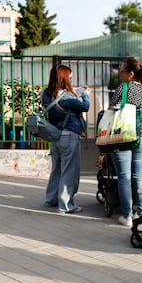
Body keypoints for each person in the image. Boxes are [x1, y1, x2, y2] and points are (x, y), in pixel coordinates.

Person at [110, 58, 142, 227]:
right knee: (138, 175)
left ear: (130, 74)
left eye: (121, 71)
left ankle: (127, 215)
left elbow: (111, 110)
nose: (120, 74)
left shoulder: (123, 88)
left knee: (124, 177)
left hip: (122, 135)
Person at [41, 65, 90, 214]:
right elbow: (85, 106)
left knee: (56, 169)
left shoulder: (45, 94)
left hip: (55, 135)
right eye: (70, 77)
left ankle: (51, 199)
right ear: (64, 78)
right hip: (69, 136)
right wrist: (85, 94)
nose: (71, 79)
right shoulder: (67, 97)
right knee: (69, 171)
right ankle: (66, 204)